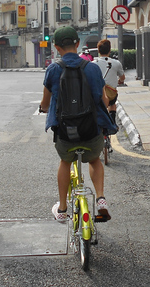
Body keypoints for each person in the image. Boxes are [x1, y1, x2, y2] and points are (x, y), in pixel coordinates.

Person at [39, 26, 117, 223]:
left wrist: (43, 108)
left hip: (65, 134)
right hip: (91, 132)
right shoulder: (91, 68)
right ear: (77, 44)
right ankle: (100, 198)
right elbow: (103, 100)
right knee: (94, 160)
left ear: (56, 47)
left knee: (65, 162)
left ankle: (63, 208)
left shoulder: (53, 69)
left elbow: (45, 103)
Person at [93, 39, 126, 118]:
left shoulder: (93, 64)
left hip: (98, 93)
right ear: (109, 50)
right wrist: (120, 81)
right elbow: (122, 77)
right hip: (111, 94)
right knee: (112, 104)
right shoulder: (116, 63)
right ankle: (112, 121)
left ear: (98, 50)